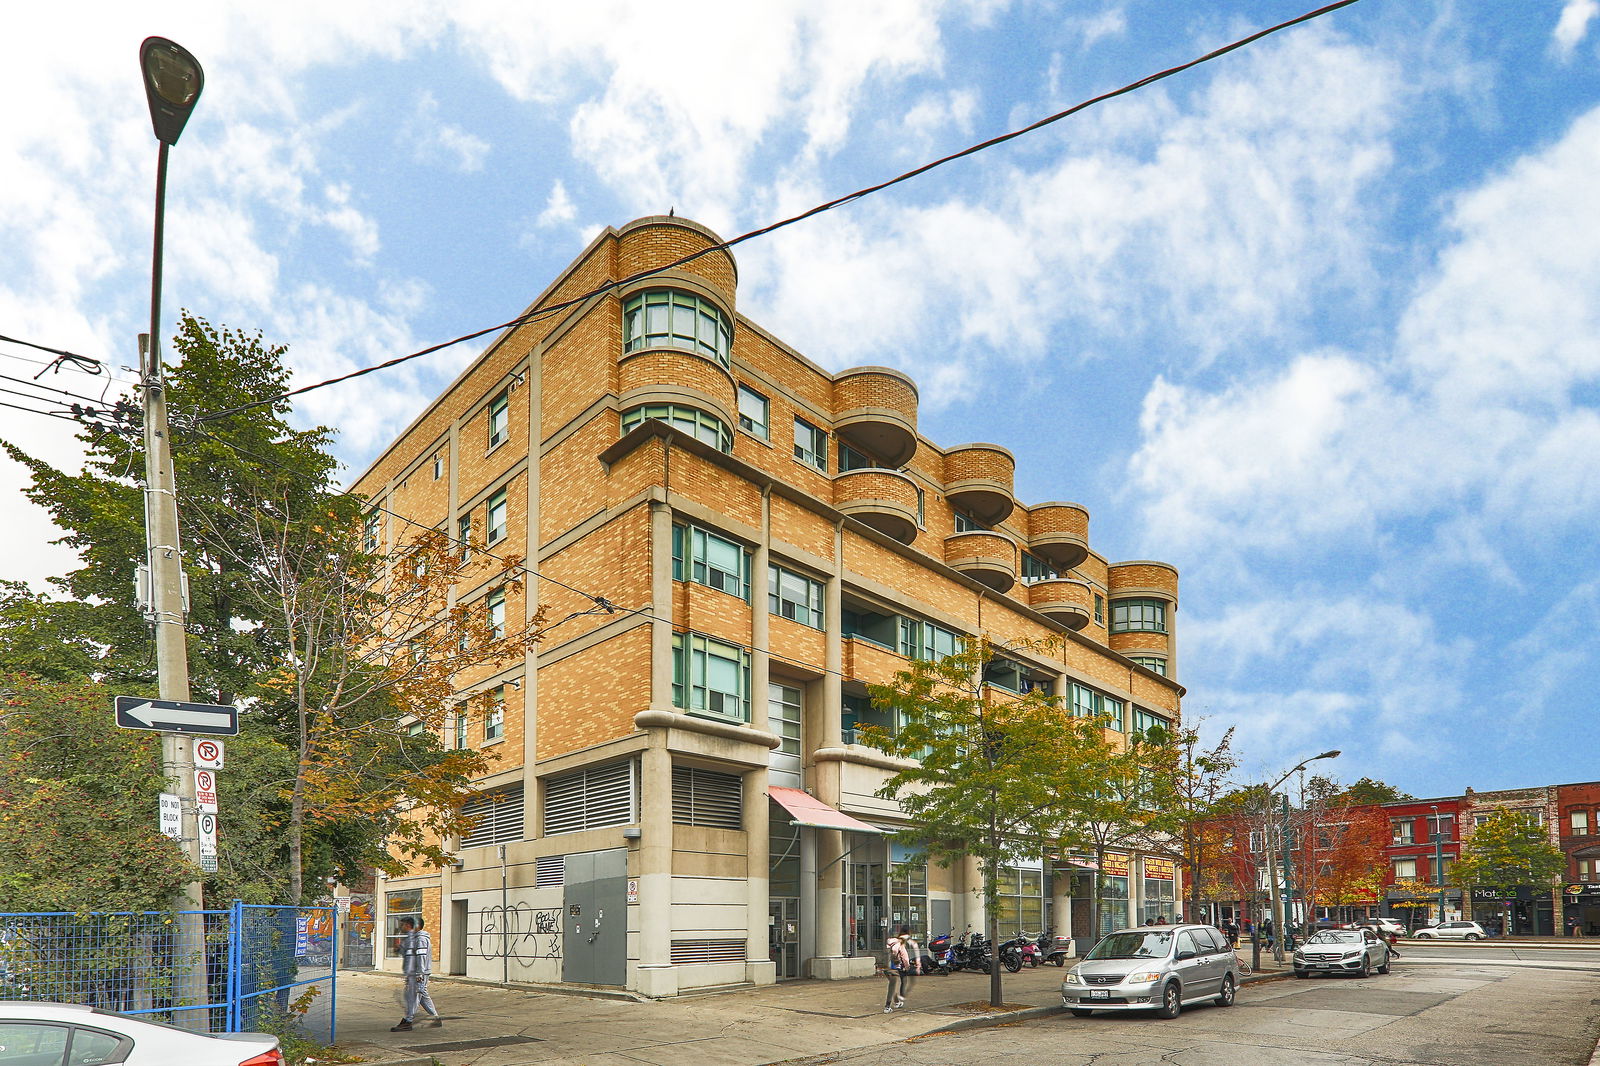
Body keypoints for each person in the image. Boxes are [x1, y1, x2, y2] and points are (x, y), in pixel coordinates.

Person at [390, 917, 442, 1032]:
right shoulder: (413, 939)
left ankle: (408, 1021)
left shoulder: (421, 939)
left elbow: (421, 957)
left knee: (413, 997)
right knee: (422, 995)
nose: (402, 927)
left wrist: (419, 974)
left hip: (419, 973)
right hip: (415, 973)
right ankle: (435, 1018)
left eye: (403, 925)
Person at [883, 924, 913, 1013]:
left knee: (892, 985)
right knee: (892, 987)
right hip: (894, 968)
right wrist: (907, 967)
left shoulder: (890, 942)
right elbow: (905, 958)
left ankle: (896, 1002)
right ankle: (887, 1007)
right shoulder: (900, 945)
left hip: (886, 967)